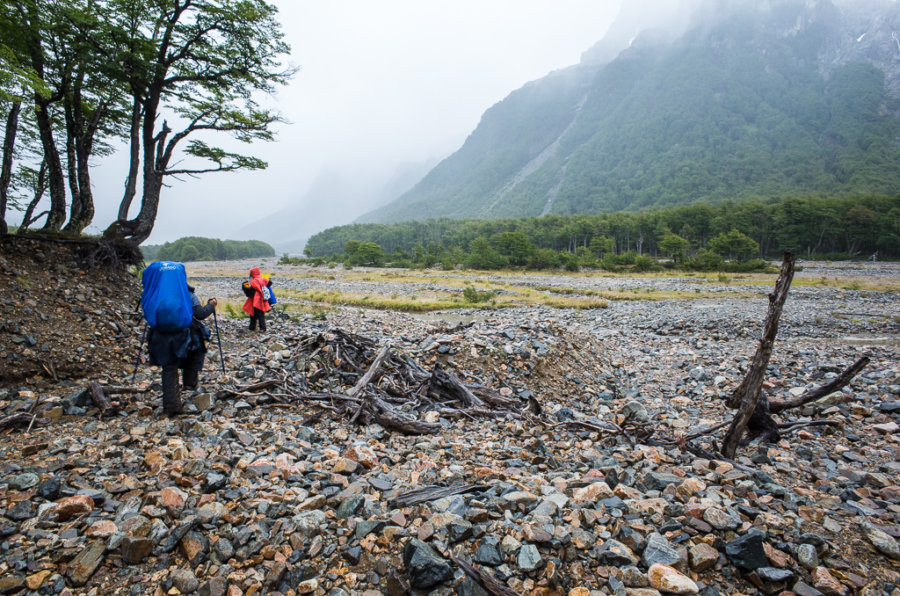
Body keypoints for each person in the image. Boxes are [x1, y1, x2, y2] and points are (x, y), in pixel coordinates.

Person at [148, 285, 217, 416]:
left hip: (161, 333)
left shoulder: (157, 292)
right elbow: (200, 314)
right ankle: (190, 385)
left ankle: (171, 404)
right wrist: (211, 305)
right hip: (185, 331)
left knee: (169, 366)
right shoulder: (188, 293)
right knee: (194, 352)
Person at [242, 266, 272, 332]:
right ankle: (261, 328)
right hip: (262, 298)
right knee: (260, 313)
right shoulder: (263, 278)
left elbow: (251, 289)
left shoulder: (253, 280)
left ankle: (255, 327)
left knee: (254, 313)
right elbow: (269, 282)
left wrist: (246, 287)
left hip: (256, 299)